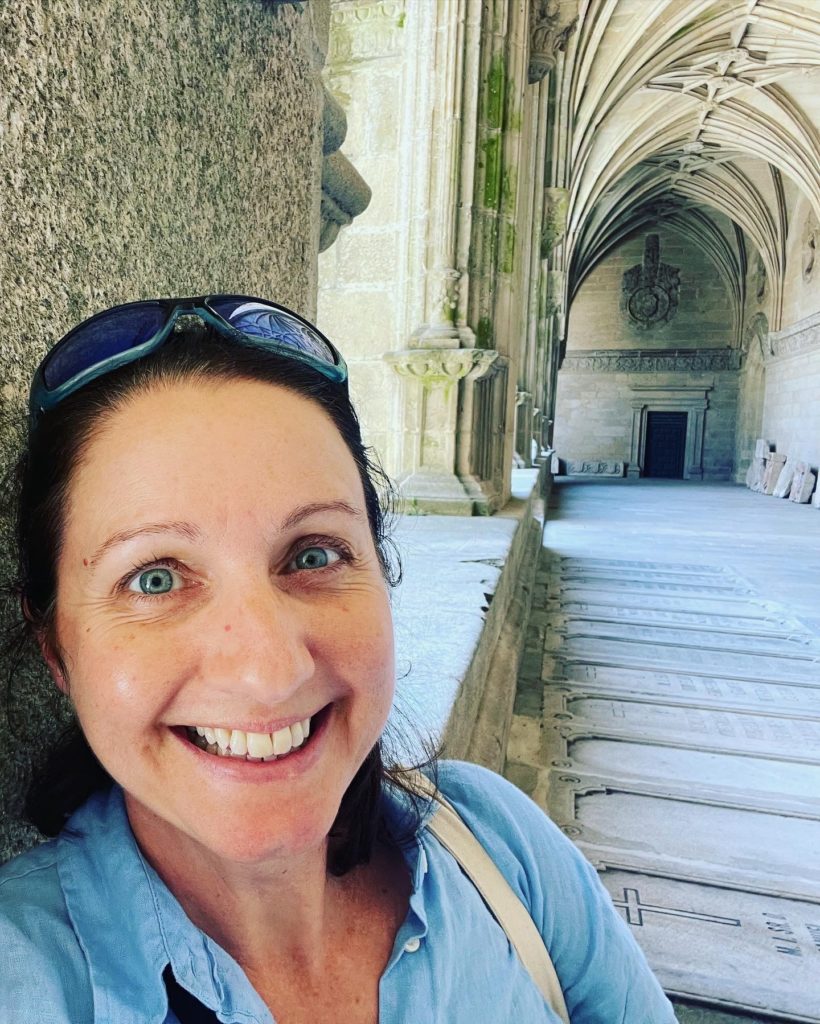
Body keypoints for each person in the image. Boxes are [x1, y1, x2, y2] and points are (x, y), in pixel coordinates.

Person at [0, 295, 677, 1023]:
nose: (269, 671)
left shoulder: (499, 845)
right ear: (57, 651)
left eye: (314, 554)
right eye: (155, 577)